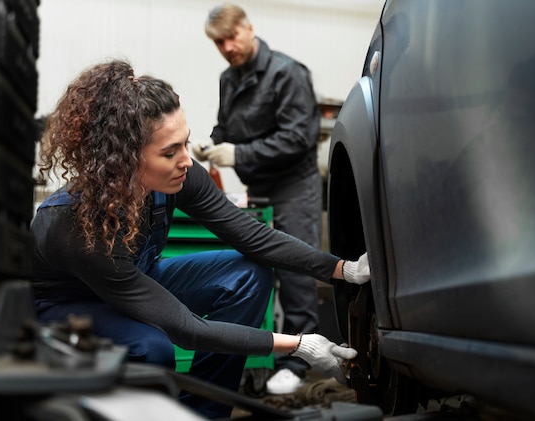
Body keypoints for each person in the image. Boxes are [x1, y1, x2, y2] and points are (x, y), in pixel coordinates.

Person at [32, 59, 370, 419]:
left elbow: (252, 236)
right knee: (152, 348)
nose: (186, 161)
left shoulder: (180, 176)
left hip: (135, 280)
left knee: (247, 274)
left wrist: (342, 269)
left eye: (185, 143)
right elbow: (184, 328)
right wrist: (299, 345)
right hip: (70, 308)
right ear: (125, 160)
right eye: (169, 152)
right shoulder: (72, 224)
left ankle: (205, 412)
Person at [196, 3, 325, 395]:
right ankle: (260, 354)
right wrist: (213, 143)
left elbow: (298, 138)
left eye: (232, 36)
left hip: (294, 186)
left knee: (296, 271)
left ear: (249, 29)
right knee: (255, 267)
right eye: (219, 42)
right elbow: (227, 125)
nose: (228, 47)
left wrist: (238, 155)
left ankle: (299, 364)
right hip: (259, 187)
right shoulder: (228, 78)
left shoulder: (287, 73)